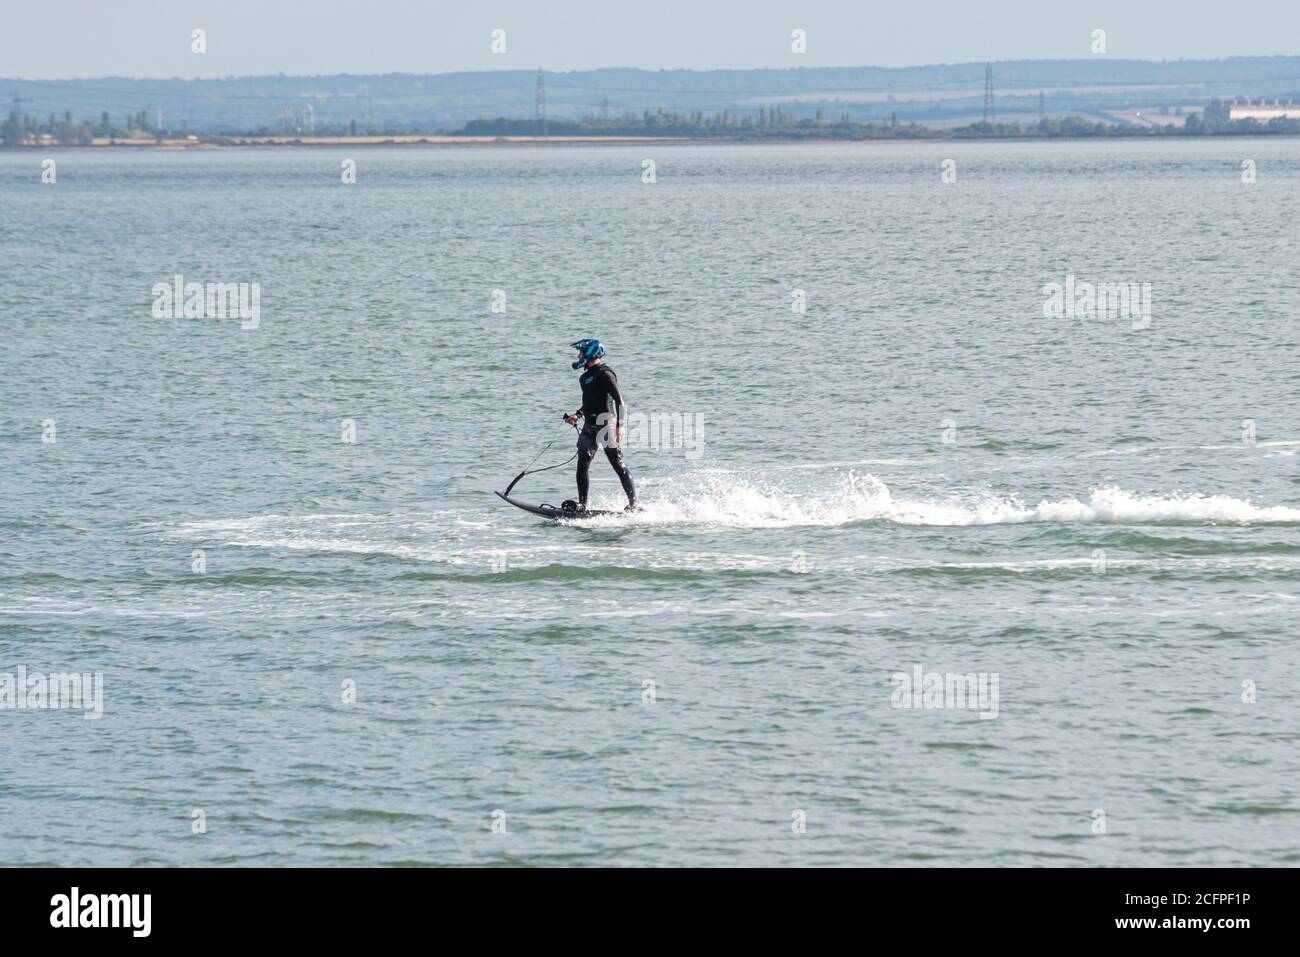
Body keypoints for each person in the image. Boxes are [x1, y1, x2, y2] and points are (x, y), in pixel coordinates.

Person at [563, 338, 638, 512]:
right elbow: (590, 401)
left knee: (617, 463)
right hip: (589, 425)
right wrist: (578, 414)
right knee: (582, 463)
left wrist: (620, 426)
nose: (578, 356)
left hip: (607, 423)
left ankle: (634, 504)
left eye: (581, 352)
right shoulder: (584, 377)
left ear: (589, 354)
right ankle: (582, 504)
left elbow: (619, 401)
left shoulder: (605, 373)